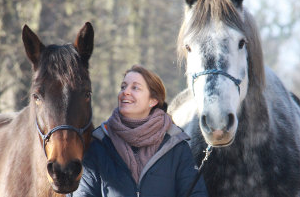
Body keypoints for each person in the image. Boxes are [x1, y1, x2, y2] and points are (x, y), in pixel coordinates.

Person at [68, 64, 208, 197]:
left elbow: (195, 193)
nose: (125, 92)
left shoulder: (176, 145)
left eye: (135, 88)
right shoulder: (99, 144)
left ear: (152, 101)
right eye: (123, 87)